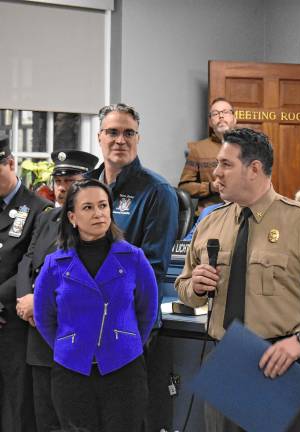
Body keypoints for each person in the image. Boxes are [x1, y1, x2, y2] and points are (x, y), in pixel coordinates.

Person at [175, 128, 300, 432]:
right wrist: (194, 286)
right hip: (226, 361)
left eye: (226, 164)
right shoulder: (210, 223)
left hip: (279, 362)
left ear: (254, 169)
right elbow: (185, 288)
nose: (216, 173)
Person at [33, 179, 158, 432]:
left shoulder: (134, 257)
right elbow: (44, 318)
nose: (98, 213)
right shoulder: (54, 263)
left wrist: (124, 339)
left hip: (124, 369)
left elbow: (148, 312)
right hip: (72, 372)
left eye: (103, 205)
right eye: (88, 207)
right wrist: (70, 342)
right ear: (72, 217)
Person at [87, 103, 178, 431]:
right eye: (112, 132)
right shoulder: (84, 187)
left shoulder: (158, 192)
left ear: (138, 139)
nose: (119, 140)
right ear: (99, 137)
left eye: (128, 133)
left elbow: (152, 270)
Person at [16, 149, 98, 432]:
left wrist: (38, 302)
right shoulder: (47, 218)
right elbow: (27, 261)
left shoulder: (95, 225)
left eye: (71, 180)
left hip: (70, 337)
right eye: (59, 180)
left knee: (74, 423)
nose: (63, 187)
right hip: (38, 339)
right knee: (44, 421)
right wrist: (25, 300)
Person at [0, 135, 52, 432]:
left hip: (11, 321)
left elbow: (27, 265)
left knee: (15, 407)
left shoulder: (39, 209)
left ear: (11, 163)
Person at [178, 97, 237, 214]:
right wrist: (210, 187)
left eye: (225, 112)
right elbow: (183, 187)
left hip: (241, 215)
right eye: (215, 113)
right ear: (210, 122)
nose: (221, 116)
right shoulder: (197, 149)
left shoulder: (248, 147)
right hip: (209, 217)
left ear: (235, 118)